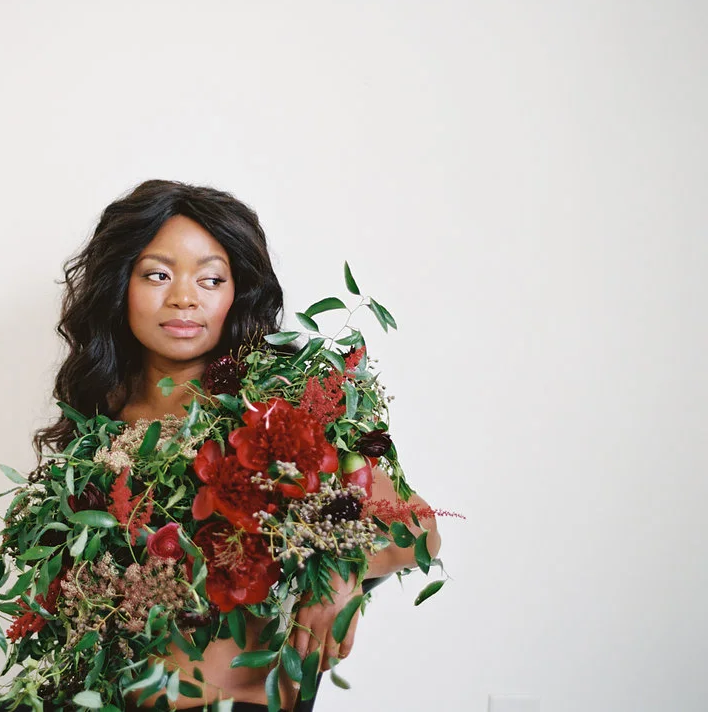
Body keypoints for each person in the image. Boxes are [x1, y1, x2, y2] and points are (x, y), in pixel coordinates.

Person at [34, 180, 441, 712]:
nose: (184, 298)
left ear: (237, 293)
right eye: (158, 275)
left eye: (211, 279)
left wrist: (342, 569)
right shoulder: (100, 420)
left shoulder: (275, 409)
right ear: (120, 285)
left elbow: (419, 527)